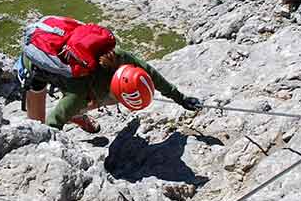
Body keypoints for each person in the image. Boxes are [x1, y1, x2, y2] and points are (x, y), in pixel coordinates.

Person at [18, 16, 202, 131]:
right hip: (36, 66)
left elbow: (152, 75)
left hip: (72, 71)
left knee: (96, 99)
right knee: (37, 126)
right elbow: (53, 123)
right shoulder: (78, 95)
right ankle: (72, 114)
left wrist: (181, 99)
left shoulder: (121, 58)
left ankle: (74, 115)